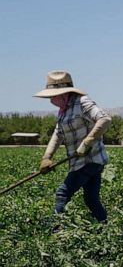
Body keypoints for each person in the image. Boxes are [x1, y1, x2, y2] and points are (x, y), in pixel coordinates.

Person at [34, 70, 111, 222]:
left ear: (63, 93)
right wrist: (47, 157)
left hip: (90, 160)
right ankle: (105, 225)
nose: (50, 100)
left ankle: (55, 231)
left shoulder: (82, 102)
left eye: (52, 96)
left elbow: (105, 119)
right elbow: (58, 134)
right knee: (91, 199)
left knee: (62, 193)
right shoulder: (63, 111)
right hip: (82, 162)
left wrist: (87, 142)